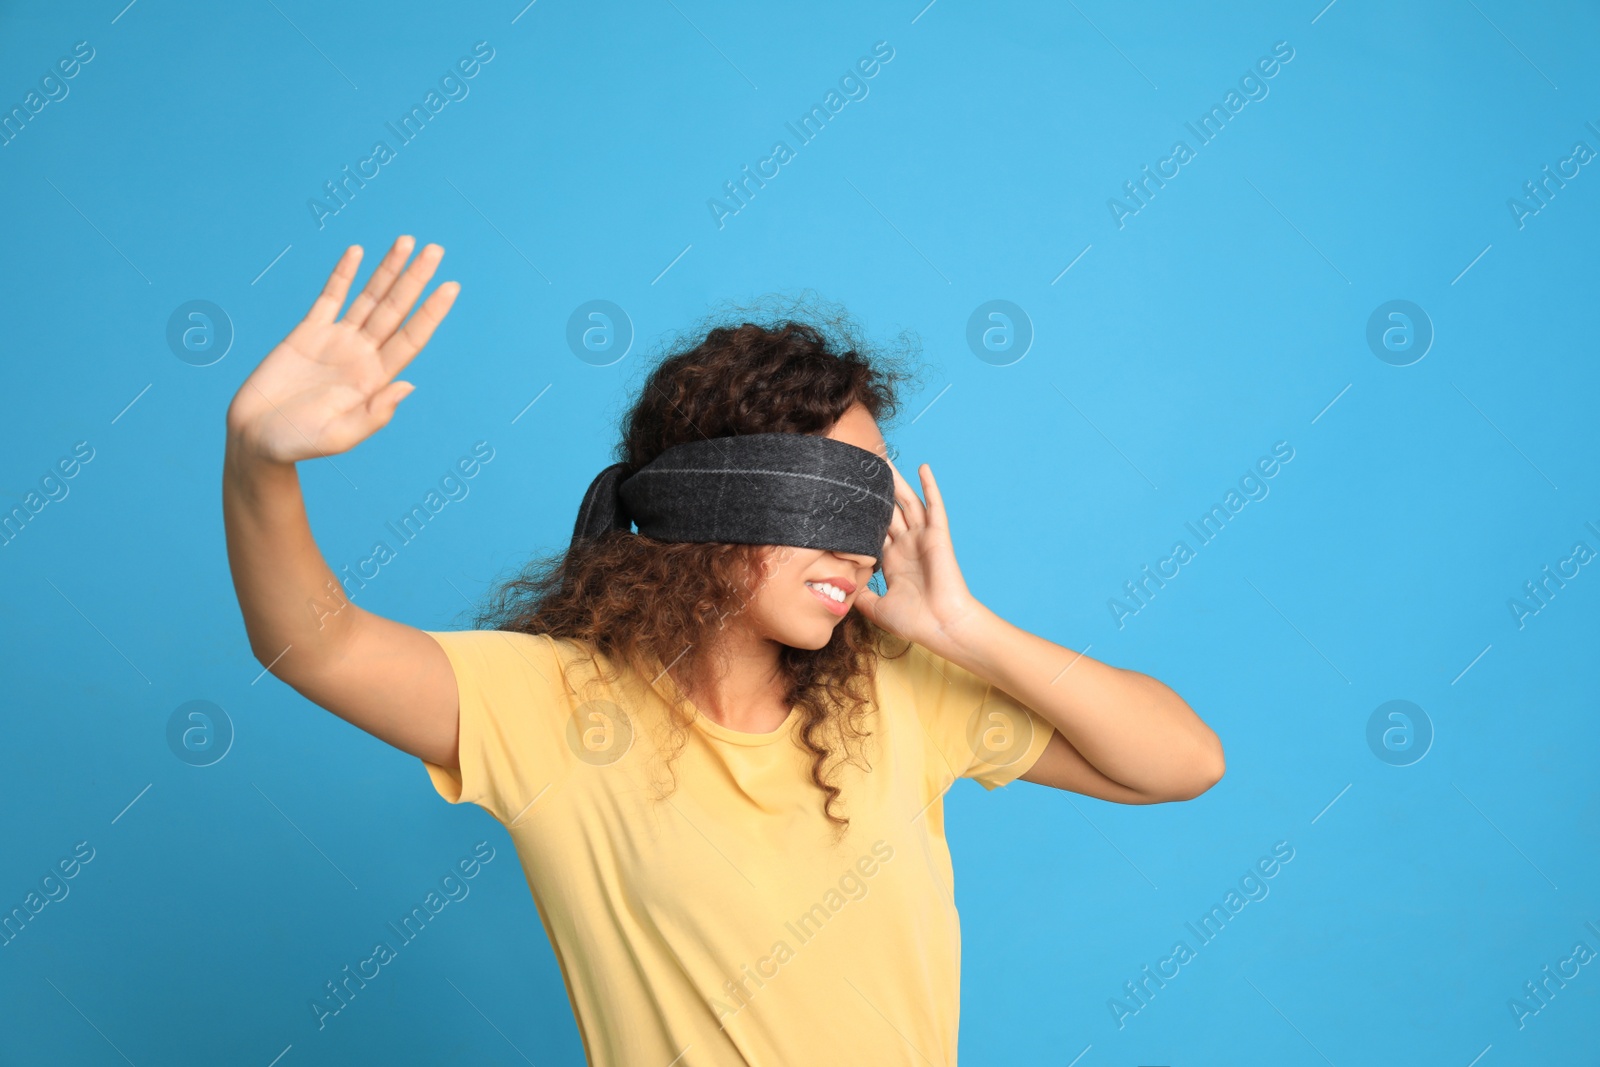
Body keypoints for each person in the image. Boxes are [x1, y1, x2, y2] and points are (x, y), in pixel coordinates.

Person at [223, 236, 1225, 1066]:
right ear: (713, 504)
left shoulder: (902, 691)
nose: (859, 541)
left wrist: (966, 629)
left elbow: (1182, 761)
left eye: (871, 503)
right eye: (826, 500)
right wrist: (259, 461)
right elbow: (315, 645)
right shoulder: (551, 709)